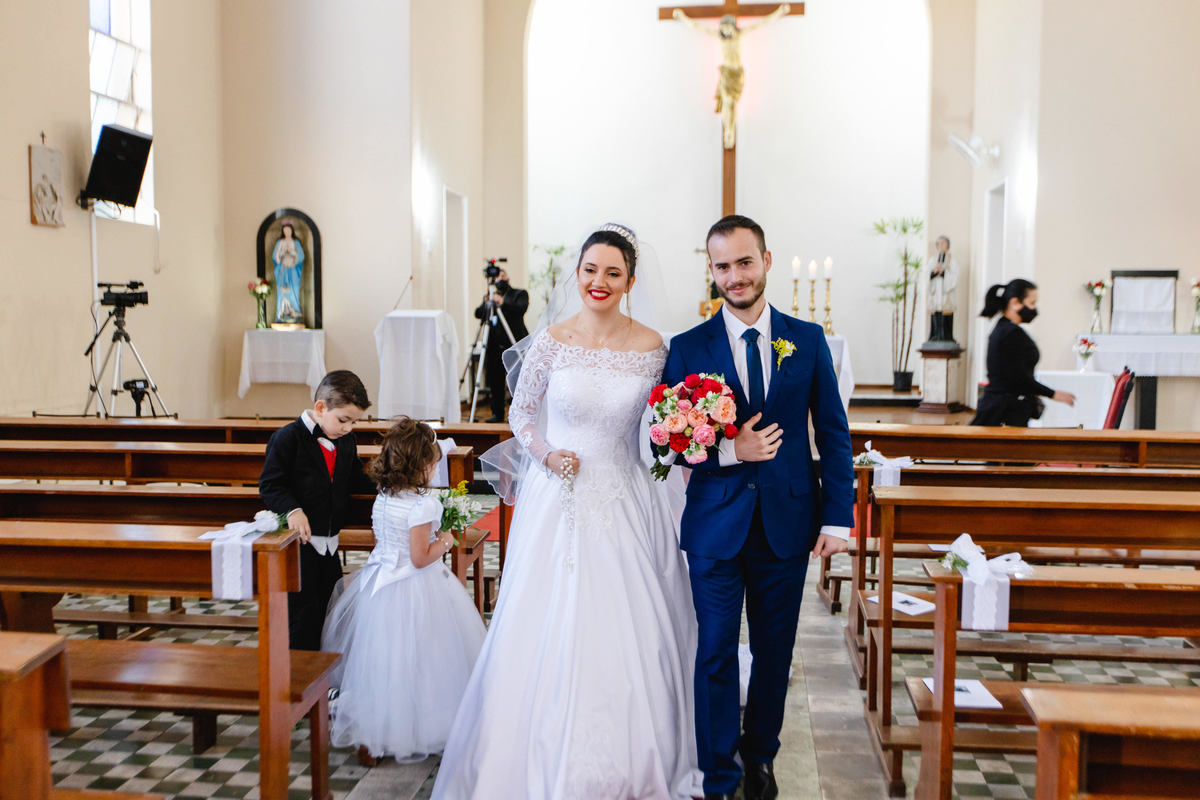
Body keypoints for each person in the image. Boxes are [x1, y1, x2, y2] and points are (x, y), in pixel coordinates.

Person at [432, 224, 704, 799]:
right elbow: (521, 415)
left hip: (627, 497)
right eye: (590, 270)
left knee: (637, 625)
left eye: (612, 272)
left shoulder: (655, 348)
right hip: (558, 499)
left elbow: (660, 425)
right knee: (544, 620)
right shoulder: (551, 341)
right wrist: (547, 453)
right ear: (576, 274)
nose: (598, 282)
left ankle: (634, 761)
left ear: (630, 281)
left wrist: (674, 443)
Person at [662, 214, 853, 800]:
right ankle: (719, 774)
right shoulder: (688, 346)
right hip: (716, 525)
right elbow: (666, 441)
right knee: (715, 651)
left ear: (766, 261)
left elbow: (834, 432)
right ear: (712, 271)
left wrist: (837, 516)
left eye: (745, 262)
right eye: (722, 266)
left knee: (775, 652)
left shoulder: (810, 339)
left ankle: (761, 755)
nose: (735, 276)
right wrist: (728, 449)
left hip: (788, 523)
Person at [321, 416, 486, 763]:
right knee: (426, 657)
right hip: (416, 588)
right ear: (421, 467)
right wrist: (444, 541)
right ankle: (424, 725)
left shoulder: (384, 496)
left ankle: (379, 729)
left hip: (380, 585)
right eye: (432, 465)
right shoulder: (423, 505)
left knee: (385, 660)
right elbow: (420, 557)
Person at [259, 370, 377, 650]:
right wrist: (293, 510)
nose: (348, 428)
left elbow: (353, 478)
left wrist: (387, 484)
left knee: (331, 608)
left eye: (353, 422)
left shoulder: (346, 440)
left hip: (330, 542)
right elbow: (271, 485)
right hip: (299, 543)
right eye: (343, 420)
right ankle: (300, 678)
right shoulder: (287, 438)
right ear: (321, 408)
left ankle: (325, 680)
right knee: (302, 614)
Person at [672, 4, 792, 149]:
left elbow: (761, 23)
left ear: (732, 26)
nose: (723, 29)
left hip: (737, 73)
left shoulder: (740, 34)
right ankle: (728, 132)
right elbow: (698, 27)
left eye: (726, 26)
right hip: (727, 73)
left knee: (733, 104)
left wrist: (779, 12)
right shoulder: (719, 36)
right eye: (722, 27)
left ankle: (731, 130)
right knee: (728, 102)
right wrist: (682, 17)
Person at [971, 279, 1076, 426]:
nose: (1034, 309)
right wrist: (1054, 394)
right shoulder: (1010, 333)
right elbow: (1018, 378)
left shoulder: (1005, 328)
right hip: (1004, 410)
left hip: (1004, 406)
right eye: (1031, 303)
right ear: (1015, 303)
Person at [473, 267, 529, 422]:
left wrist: (502, 302)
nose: (500, 279)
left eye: (503, 275)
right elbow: (478, 314)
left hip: (514, 345)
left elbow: (521, 307)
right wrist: (487, 303)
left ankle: (520, 414)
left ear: (508, 278)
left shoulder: (519, 294)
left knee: (518, 380)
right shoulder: (491, 297)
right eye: (497, 277)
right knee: (495, 380)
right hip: (494, 346)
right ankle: (497, 413)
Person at [926, 235, 959, 343]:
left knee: (946, 314)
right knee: (935, 314)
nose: (940, 245)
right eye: (938, 243)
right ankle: (934, 335)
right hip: (936, 293)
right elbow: (926, 275)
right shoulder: (932, 260)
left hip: (946, 293)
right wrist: (933, 273)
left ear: (947, 245)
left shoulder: (952, 261)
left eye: (942, 243)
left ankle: (947, 337)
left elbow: (955, 277)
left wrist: (943, 272)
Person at [272, 221, 305, 323]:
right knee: (282, 292)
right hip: (282, 270)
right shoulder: (280, 242)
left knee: (293, 291)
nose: (287, 232)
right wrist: (281, 254)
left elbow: (301, 256)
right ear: (283, 231)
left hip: (293, 270)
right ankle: (281, 314)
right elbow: (275, 257)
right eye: (285, 230)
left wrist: (292, 254)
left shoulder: (296, 242)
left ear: (292, 231)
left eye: (289, 230)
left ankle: (294, 313)